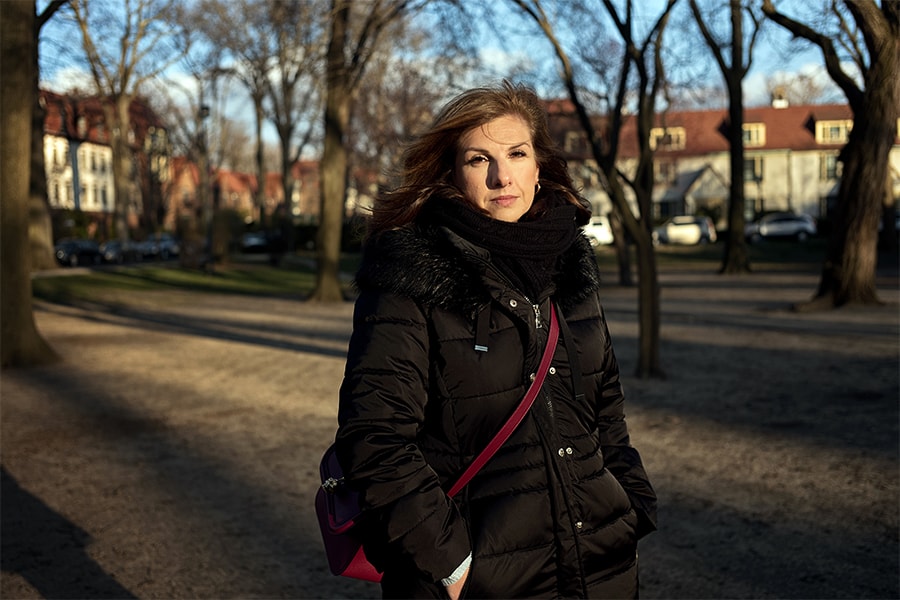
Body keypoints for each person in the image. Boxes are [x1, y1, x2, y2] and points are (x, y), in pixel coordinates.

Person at [334, 81, 657, 599]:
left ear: (539, 165)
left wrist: (629, 505)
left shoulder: (570, 267)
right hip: (482, 581)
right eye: (479, 158)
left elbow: (606, 412)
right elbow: (375, 438)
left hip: (601, 569)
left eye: (516, 153)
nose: (502, 175)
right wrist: (450, 561)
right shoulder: (410, 276)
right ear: (451, 172)